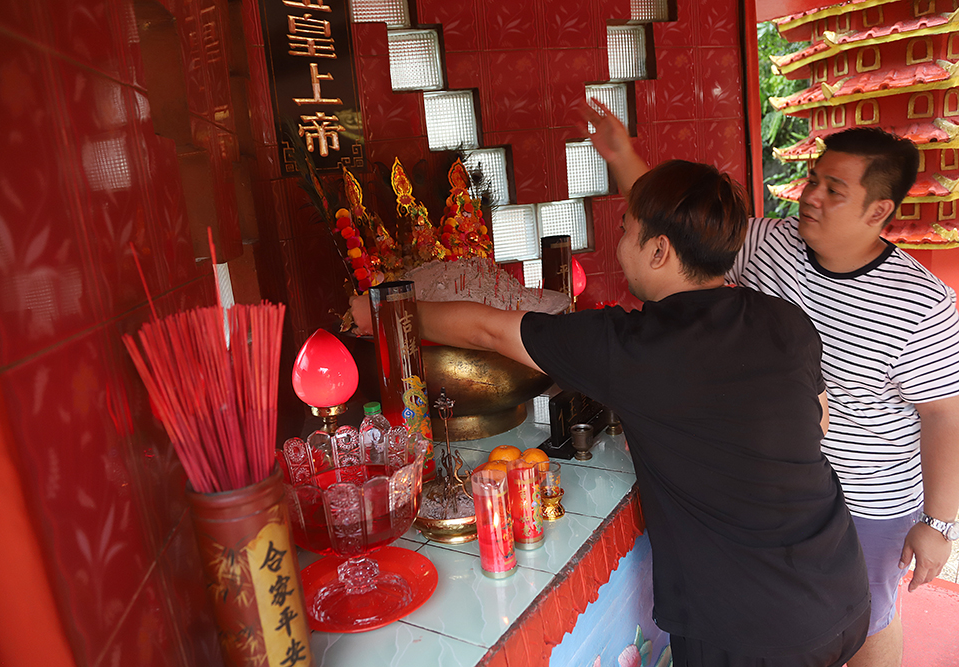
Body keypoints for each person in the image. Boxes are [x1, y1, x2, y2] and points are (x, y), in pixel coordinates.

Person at [352, 159, 870, 666]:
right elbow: (817, 425)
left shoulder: (633, 346)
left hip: (748, 632)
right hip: (841, 588)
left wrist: (384, 310)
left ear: (660, 249)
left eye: (626, 231)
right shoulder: (782, 317)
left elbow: (489, 329)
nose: (620, 248)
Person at [582, 102, 959, 667]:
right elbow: (677, 229)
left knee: (867, 621)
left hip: (868, 499)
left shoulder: (921, 302)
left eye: (834, 189)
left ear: (879, 209)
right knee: (794, 633)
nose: (810, 196)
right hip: (777, 493)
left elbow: (943, 417)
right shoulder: (769, 244)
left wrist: (938, 523)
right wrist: (622, 156)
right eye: (813, 178)